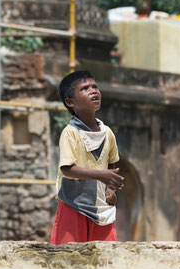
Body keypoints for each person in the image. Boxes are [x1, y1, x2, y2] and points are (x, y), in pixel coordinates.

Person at [50, 70, 124, 244]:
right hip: (73, 204)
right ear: (70, 102)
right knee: (68, 257)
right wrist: (101, 175)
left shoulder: (108, 133)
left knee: (105, 258)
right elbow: (68, 169)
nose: (93, 91)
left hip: (101, 207)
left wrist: (110, 189)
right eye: (85, 88)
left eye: (95, 86)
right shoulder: (70, 133)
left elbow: (112, 163)